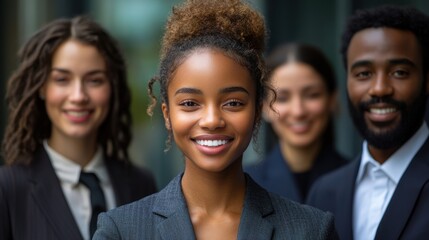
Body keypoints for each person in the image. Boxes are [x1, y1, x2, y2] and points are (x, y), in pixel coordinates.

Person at [93, 0, 338, 239]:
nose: (212, 120)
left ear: (257, 111)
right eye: (190, 103)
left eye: (233, 103)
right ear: (167, 115)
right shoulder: (121, 230)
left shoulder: (311, 230)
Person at [0, 16, 157, 240]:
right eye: (62, 79)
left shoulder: (140, 184)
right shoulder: (8, 189)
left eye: (94, 80)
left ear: (112, 88)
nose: (78, 96)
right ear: (41, 87)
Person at [306, 5, 429, 240]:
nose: (380, 88)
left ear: (426, 80)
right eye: (364, 74)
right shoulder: (323, 193)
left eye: (400, 72)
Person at [245, 43, 348, 203]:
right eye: (283, 98)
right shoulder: (244, 185)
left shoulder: (358, 179)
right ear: (264, 107)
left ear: (333, 100)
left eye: (312, 95)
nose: (298, 111)